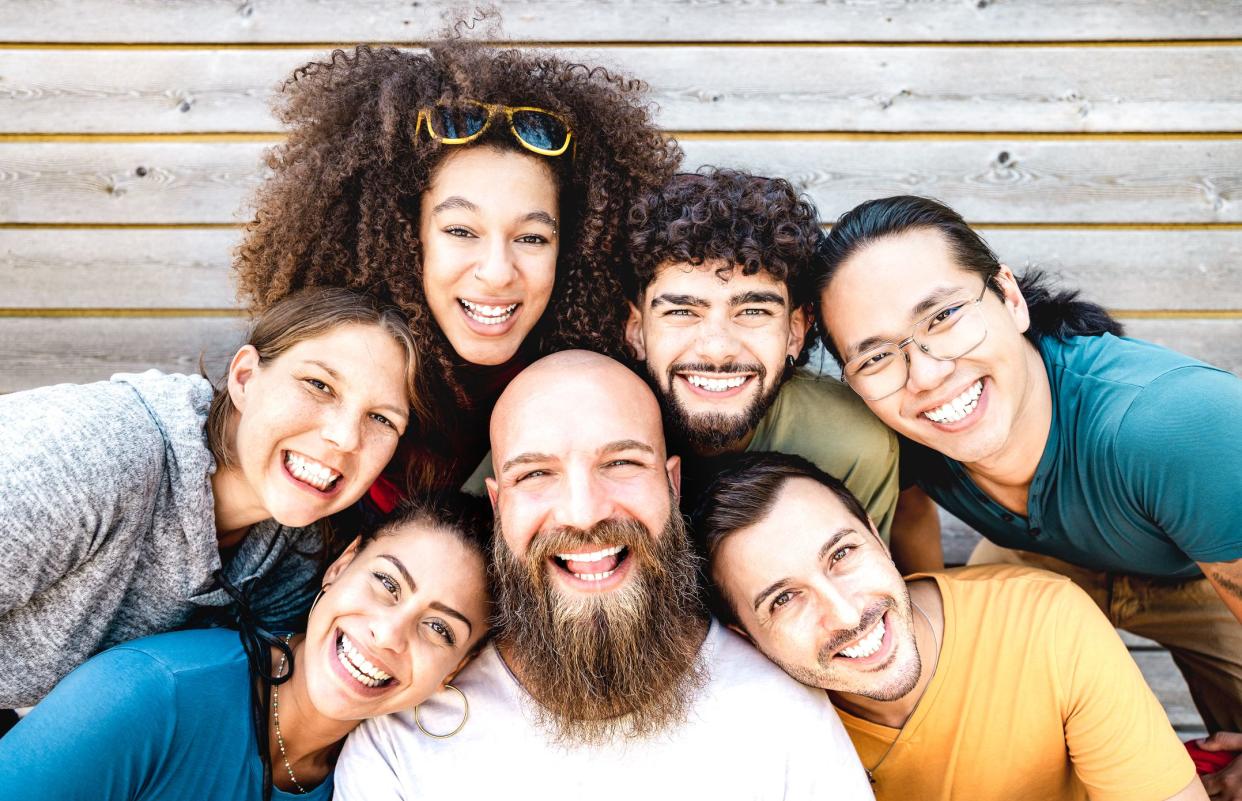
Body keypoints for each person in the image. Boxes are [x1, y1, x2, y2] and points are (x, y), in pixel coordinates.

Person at [812, 195, 1242, 790]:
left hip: (1201, 569)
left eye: (942, 318)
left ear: (1010, 298)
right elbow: (909, 509)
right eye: (878, 356)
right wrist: (942, 658)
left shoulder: (1169, 423)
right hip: (1039, 553)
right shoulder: (890, 426)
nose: (927, 374)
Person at [334, 351, 874, 800]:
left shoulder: (782, 712)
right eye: (537, 473)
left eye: (620, 464)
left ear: (672, 484)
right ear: (499, 506)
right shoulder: (398, 745)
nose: (583, 512)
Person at [233, 41, 681, 499]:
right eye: (461, 231)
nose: (497, 272)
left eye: (531, 238)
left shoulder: (573, 385)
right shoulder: (330, 369)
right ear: (407, 235)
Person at [693, 451, 1207, 801]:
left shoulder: (1044, 622)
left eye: (843, 553)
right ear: (744, 636)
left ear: (876, 535)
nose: (847, 615)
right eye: (784, 600)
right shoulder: (761, 736)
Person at [0, 287, 418, 709]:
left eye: (381, 418)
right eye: (318, 385)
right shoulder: (99, 454)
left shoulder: (292, 554)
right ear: (245, 378)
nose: (345, 438)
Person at [0, 495, 492, 801]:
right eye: (386, 582)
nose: (388, 633)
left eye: (439, 629)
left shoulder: (382, 780)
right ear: (341, 566)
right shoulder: (149, 695)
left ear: (457, 667)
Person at [622, 168, 902, 538]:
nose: (718, 349)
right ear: (636, 330)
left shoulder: (849, 445)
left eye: (753, 311)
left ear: (795, 331)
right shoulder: (592, 429)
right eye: (682, 312)